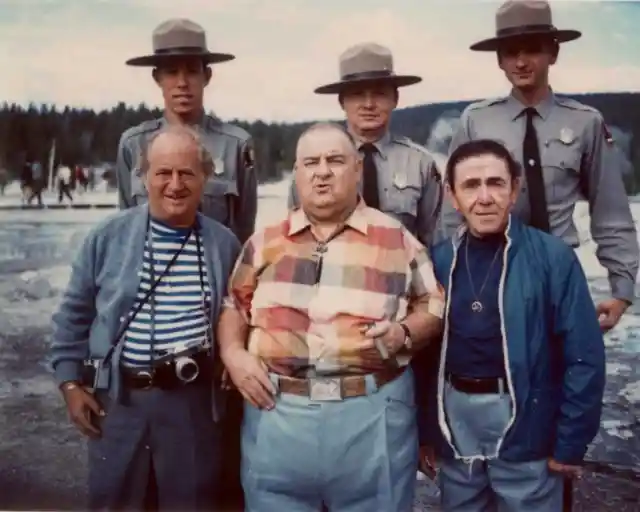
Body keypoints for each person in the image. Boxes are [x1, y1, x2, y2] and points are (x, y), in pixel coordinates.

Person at [219, 122, 445, 511]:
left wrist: (404, 333)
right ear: (298, 172)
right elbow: (234, 305)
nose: (322, 171)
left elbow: (434, 305)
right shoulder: (265, 241)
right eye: (311, 162)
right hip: (277, 419)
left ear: (357, 169)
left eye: (335, 161)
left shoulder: (396, 238)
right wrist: (233, 354)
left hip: (371, 419)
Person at [49, 125, 241, 510]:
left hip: (192, 408)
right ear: (143, 177)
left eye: (187, 173)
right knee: (116, 502)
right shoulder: (108, 237)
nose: (175, 184)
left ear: (205, 177)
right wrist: (70, 383)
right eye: (163, 173)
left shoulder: (224, 245)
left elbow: (239, 316)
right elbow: (73, 314)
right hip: (119, 403)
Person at [416, 139, 606, 511]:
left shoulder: (552, 258)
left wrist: (570, 442)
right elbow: (423, 360)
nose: (484, 197)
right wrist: (426, 432)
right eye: (471, 185)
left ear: (514, 190)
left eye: (496, 183)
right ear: (453, 196)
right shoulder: (436, 262)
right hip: (456, 426)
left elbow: (584, 357)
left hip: (527, 426)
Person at [116, 18, 258, 506]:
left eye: (192, 71)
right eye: (170, 71)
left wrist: (235, 336)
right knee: (136, 466)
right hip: (148, 321)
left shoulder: (236, 145)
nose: (181, 82)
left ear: (207, 76)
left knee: (210, 460)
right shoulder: (133, 145)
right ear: (156, 79)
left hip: (209, 320)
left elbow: (243, 248)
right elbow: (126, 241)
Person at [439, 0, 638, 332]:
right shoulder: (476, 120)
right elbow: (453, 208)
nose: (520, 62)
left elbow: (610, 210)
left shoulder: (585, 123)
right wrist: (456, 273)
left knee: (566, 369)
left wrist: (622, 290)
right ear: (499, 60)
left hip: (560, 271)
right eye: (509, 52)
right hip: (493, 270)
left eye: (532, 50)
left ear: (553, 53)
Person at [290, 42, 443, 248]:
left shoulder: (420, 164)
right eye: (357, 94)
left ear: (395, 99)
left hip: (399, 273)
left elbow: (434, 241)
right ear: (342, 101)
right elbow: (295, 232)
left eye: (379, 93)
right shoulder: (313, 164)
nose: (368, 104)